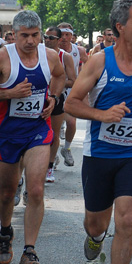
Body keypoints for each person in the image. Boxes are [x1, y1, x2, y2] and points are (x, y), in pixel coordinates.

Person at [64, 0, 132, 264]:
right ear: (120, 27)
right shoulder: (99, 62)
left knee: (127, 220)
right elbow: (71, 102)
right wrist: (102, 114)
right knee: (95, 223)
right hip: (99, 154)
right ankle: (96, 237)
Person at [0, 10, 65, 264]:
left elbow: (59, 77)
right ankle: (5, 234)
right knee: (7, 192)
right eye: (24, 36)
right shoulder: (2, 58)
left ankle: (30, 251)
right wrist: (10, 92)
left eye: (35, 35)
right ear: (13, 35)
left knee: (35, 189)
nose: (30, 41)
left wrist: (54, 98)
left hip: (38, 130)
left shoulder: (49, 57)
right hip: (7, 134)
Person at [43, 27, 76, 183]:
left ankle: (49, 167)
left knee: (54, 133)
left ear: (58, 39)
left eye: (51, 37)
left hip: (56, 97)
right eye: (45, 37)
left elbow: (73, 80)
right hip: (36, 98)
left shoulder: (65, 57)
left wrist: (58, 82)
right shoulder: (36, 53)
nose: (47, 40)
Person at [57, 22, 88, 168]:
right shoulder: (50, 51)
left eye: (67, 35)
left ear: (72, 36)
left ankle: (66, 148)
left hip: (71, 89)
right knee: (53, 127)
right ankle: (52, 156)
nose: (64, 38)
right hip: (53, 90)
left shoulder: (79, 50)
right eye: (61, 35)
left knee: (72, 122)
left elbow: (89, 67)